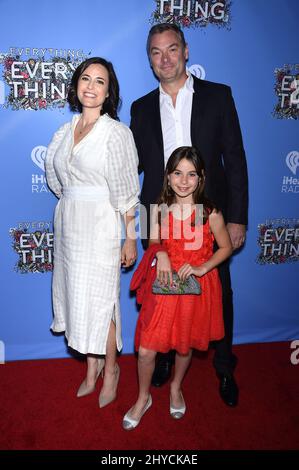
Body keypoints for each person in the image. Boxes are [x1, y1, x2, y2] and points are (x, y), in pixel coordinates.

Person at [130, 23, 248, 407]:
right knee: (161, 294)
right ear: (149, 59)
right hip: (162, 220)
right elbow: (138, 176)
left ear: (186, 51)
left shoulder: (218, 96)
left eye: (172, 49)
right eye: (156, 52)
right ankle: (163, 358)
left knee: (218, 294)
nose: (165, 58)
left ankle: (225, 367)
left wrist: (237, 218)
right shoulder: (141, 107)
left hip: (209, 221)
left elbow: (236, 159)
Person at [45, 57, 139, 408]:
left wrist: (130, 236)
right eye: (86, 78)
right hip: (70, 223)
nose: (91, 86)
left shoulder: (116, 133)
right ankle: (91, 369)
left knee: (102, 303)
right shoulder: (63, 130)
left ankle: (111, 371)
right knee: (77, 298)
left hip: (101, 226)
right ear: (76, 84)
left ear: (109, 91)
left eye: (100, 81)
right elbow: (56, 176)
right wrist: (72, 201)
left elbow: (127, 190)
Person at [122, 146, 233, 429]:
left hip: (195, 290)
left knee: (185, 347)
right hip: (165, 286)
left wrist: (203, 267)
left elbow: (226, 247)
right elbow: (154, 242)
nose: (184, 181)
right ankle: (143, 397)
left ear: (201, 178)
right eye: (177, 173)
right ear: (168, 176)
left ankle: (175, 388)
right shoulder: (156, 209)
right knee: (147, 350)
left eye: (191, 174)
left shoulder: (210, 213)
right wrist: (159, 252)